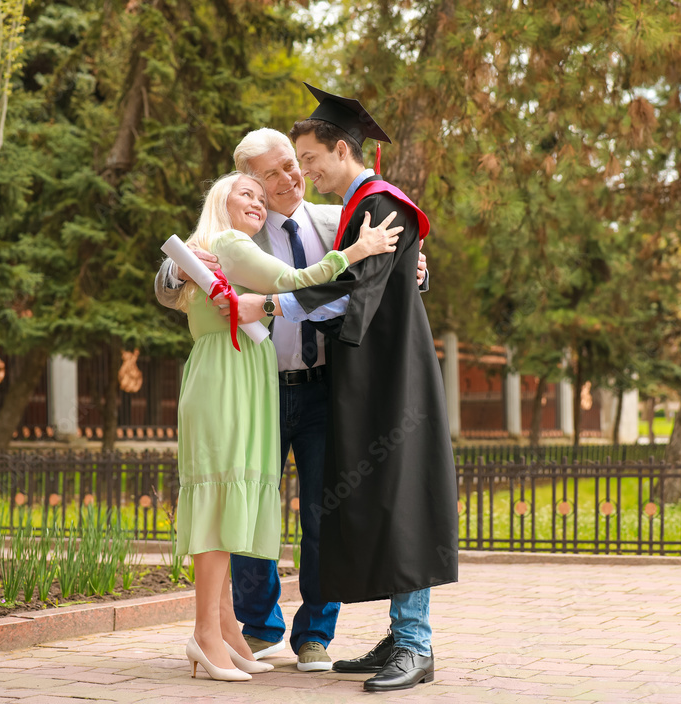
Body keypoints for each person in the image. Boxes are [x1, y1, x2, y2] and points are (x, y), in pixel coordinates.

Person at [155, 128, 428, 673]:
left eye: (291, 165)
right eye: (270, 174)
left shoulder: (335, 220)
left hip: (323, 388)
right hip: (256, 391)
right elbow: (169, 285)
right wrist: (179, 266)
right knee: (250, 507)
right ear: (247, 183)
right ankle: (255, 629)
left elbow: (389, 264)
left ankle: (314, 636)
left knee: (323, 517)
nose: (288, 178)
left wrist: (419, 270)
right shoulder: (236, 226)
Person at [223, 86, 458, 693]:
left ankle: (415, 642)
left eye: (307, 157)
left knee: (401, 504)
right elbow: (363, 280)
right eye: (286, 164)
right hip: (359, 382)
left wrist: (271, 304)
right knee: (382, 504)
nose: (302, 172)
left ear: (339, 147)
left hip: (389, 382)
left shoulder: (377, 206)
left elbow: (357, 294)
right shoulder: (356, 210)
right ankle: (399, 633)